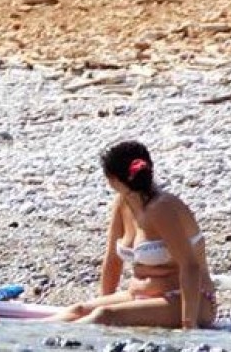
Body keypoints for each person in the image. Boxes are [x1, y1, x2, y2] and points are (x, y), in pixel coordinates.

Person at [45, 140, 216, 328]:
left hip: (189, 299)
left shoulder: (163, 208)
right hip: (138, 295)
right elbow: (112, 259)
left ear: (113, 180)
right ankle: (28, 332)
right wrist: (106, 300)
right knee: (78, 310)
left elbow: (190, 266)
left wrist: (188, 326)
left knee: (104, 315)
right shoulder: (123, 203)